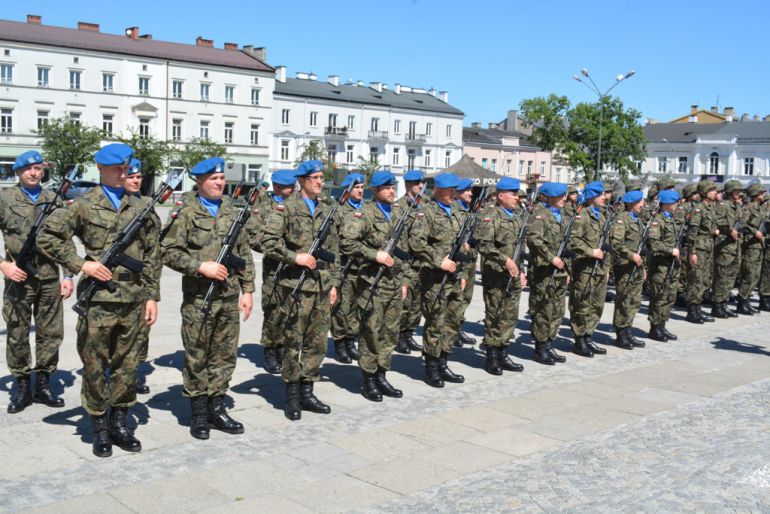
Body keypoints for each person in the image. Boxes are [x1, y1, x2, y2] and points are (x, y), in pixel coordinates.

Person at [37, 143, 160, 458]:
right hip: (99, 301)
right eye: (117, 168)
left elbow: (152, 254)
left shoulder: (142, 205)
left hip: (133, 299)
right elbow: (47, 237)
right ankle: (100, 428)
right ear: (102, 170)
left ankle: (120, 424)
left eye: (126, 167)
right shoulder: (84, 204)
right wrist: (81, 264)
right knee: (94, 366)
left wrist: (151, 296)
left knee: (128, 366)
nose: (123, 173)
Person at [161, 157, 255, 440]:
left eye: (221, 178)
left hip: (228, 296)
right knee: (197, 355)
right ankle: (199, 413)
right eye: (213, 179)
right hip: (199, 298)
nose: (219, 182)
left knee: (224, 356)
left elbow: (244, 252)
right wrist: (200, 266)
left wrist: (248, 289)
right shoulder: (185, 212)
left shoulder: (230, 210)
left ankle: (217, 407)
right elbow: (167, 250)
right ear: (199, 181)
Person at [261, 159, 339, 421]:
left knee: (317, 344)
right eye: (315, 177)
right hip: (295, 287)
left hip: (321, 285)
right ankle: (292, 396)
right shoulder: (286, 208)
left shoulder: (326, 208)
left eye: (321, 177)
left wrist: (334, 284)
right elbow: (268, 242)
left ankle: (307, 391)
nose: (320, 181)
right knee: (294, 342)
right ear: (302, 181)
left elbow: (334, 251)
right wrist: (295, 257)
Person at [1, 150, 73, 413]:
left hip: (50, 277)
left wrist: (68, 275)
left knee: (51, 332)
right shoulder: (5, 198)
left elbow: (64, 239)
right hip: (18, 277)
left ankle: (43, 384)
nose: (34, 173)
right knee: (17, 332)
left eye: (38, 169)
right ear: (18, 172)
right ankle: (22, 387)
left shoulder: (52, 199)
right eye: (28, 169)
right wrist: (4, 265)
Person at [340, 170, 407, 401]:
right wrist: (373, 254)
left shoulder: (399, 213)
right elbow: (347, 242)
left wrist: (405, 281)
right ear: (375, 191)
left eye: (393, 187)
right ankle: (368, 378)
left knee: (390, 333)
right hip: (372, 284)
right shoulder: (364, 214)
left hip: (394, 282)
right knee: (371, 332)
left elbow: (406, 251)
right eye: (387, 188)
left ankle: (382, 374)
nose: (391, 191)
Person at [411, 172, 467, 387]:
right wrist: (438, 261)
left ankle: (444, 361)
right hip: (435, 279)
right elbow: (416, 243)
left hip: (454, 277)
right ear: (437, 190)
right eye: (450, 190)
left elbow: (460, 246)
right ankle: (432, 367)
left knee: (453, 321)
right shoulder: (426, 212)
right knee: (435, 322)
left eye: (456, 189)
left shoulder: (457, 212)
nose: (454, 193)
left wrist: (461, 274)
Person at [248, 169, 297, 375]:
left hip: (295, 267)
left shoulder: (297, 204)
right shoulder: (262, 206)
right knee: (273, 308)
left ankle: (284, 348)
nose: (293, 190)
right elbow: (254, 237)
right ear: (277, 187)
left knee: (291, 309)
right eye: (288, 187)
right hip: (274, 267)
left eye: (294, 186)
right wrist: (277, 250)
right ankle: (270, 349)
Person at [477, 177, 526, 375]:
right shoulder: (491, 216)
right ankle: (492, 356)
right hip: (496, 275)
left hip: (513, 275)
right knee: (495, 316)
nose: (517, 198)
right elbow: (484, 245)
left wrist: (521, 271)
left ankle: (503, 351)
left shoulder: (517, 217)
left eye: (517, 194)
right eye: (513, 194)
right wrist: (504, 260)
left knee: (510, 315)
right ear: (501, 196)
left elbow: (519, 249)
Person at [123, 158, 162, 394]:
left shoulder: (148, 203)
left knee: (142, 329)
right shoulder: (119, 204)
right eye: (132, 177)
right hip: (120, 278)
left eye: (139, 177)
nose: (136, 180)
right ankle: (118, 372)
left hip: (146, 275)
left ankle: (135, 371)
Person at [526, 182, 570, 365]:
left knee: (558, 310)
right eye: (560, 196)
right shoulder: (539, 216)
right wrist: (551, 258)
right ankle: (540, 348)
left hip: (560, 271)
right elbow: (535, 240)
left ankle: (549, 343)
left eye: (564, 195)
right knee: (544, 309)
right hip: (544, 270)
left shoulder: (564, 216)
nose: (564, 199)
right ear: (549, 197)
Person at [568, 181, 609, 358]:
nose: (604, 197)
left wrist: (607, 268)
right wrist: (591, 251)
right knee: (582, 303)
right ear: (592, 196)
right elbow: (573, 241)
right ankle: (580, 339)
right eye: (600, 195)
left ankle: (589, 335)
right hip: (585, 268)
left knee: (597, 304)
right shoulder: (582, 216)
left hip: (600, 268)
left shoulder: (602, 216)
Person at [331, 173, 365, 363]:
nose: (360, 190)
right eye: (357, 187)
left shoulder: (366, 209)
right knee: (341, 307)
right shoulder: (338, 210)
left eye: (362, 187)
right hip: (344, 266)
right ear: (347, 189)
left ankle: (351, 341)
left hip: (361, 267)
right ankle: (340, 343)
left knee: (356, 307)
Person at [609, 189, 647, 349]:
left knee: (634, 301)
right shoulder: (621, 220)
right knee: (624, 300)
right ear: (631, 204)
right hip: (625, 266)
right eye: (640, 202)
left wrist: (642, 266)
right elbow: (616, 243)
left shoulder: (637, 220)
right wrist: (631, 256)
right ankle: (621, 334)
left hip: (636, 267)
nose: (643, 205)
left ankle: (628, 330)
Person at [395, 169, 426, 355]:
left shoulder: (424, 206)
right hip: (407, 264)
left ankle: (409, 334)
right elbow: (399, 241)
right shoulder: (399, 207)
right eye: (416, 183)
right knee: (406, 304)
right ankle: (400, 337)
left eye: (421, 183)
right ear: (407, 185)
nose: (420, 186)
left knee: (418, 305)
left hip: (422, 264)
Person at [647, 190, 683, 341]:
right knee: (659, 297)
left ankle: (662, 325)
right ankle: (655, 328)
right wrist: (671, 250)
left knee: (669, 296)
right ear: (667, 204)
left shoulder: (671, 219)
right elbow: (653, 244)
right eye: (674, 202)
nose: (676, 205)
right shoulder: (657, 221)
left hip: (672, 265)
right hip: (661, 265)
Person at [684, 180, 719, 324]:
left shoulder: (710, 208)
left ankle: (698, 309)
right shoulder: (698, 209)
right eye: (712, 190)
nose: (715, 193)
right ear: (705, 193)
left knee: (704, 280)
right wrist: (692, 252)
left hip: (708, 248)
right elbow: (692, 233)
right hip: (699, 249)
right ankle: (692, 311)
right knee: (696, 280)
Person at [451, 178, 479, 347]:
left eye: (471, 190)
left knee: (466, 297)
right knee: (457, 297)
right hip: (459, 263)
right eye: (467, 190)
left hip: (470, 260)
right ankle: (452, 331)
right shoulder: (456, 211)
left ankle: (458, 328)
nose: (470, 193)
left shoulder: (468, 211)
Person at [711, 180, 744, 318]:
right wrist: (730, 230)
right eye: (736, 191)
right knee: (722, 277)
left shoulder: (737, 206)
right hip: (724, 247)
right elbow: (717, 220)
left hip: (735, 247)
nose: (739, 193)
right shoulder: (723, 205)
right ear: (730, 191)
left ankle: (724, 304)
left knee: (730, 278)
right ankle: (717, 305)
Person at [736, 183, 768, 314]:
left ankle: (747, 299)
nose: (763, 195)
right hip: (750, 245)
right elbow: (742, 224)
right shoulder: (748, 208)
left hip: (759, 245)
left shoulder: (761, 209)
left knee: (755, 275)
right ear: (756, 194)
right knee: (749, 274)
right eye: (761, 193)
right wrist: (754, 232)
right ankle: (741, 301)